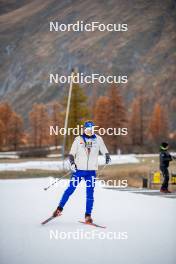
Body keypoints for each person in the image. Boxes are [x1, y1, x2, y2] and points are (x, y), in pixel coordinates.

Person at [53, 120, 111, 223]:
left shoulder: (98, 139)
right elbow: (71, 154)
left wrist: (107, 157)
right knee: (70, 189)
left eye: (92, 129)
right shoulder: (78, 139)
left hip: (91, 172)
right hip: (79, 171)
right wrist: (72, 164)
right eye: (88, 129)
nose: (90, 131)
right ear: (84, 129)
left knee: (90, 193)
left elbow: (104, 150)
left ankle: (88, 215)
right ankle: (59, 209)